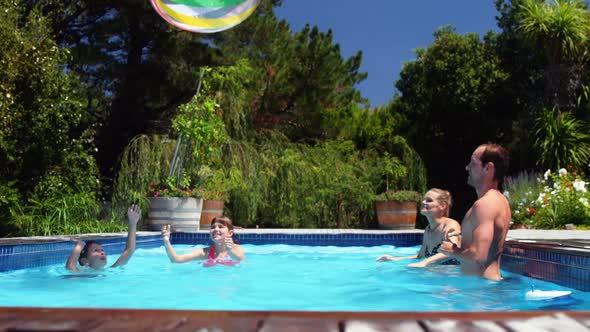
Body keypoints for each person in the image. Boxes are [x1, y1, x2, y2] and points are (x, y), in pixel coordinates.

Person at [440, 143, 511, 281]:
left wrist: (452, 250)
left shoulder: (485, 205)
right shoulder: (499, 201)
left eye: (473, 163)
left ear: (488, 168)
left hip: (481, 292)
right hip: (486, 285)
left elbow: (479, 256)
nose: (467, 167)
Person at [376, 188, 461, 267]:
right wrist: (394, 259)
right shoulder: (428, 230)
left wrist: (424, 263)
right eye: (424, 200)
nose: (423, 202)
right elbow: (420, 256)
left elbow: (451, 252)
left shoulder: (451, 225)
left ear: (442, 205)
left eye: (429, 200)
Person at [65, 204, 141, 272]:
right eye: (96, 251)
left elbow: (130, 250)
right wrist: (79, 246)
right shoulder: (83, 275)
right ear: (85, 261)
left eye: (102, 250)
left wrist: (132, 223)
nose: (102, 252)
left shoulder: (110, 271)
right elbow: (70, 267)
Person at [161, 216, 245, 266]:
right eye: (213, 227)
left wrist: (230, 250)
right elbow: (176, 260)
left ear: (230, 233)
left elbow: (238, 258)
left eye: (220, 227)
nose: (216, 229)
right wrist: (166, 241)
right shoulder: (205, 253)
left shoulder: (236, 248)